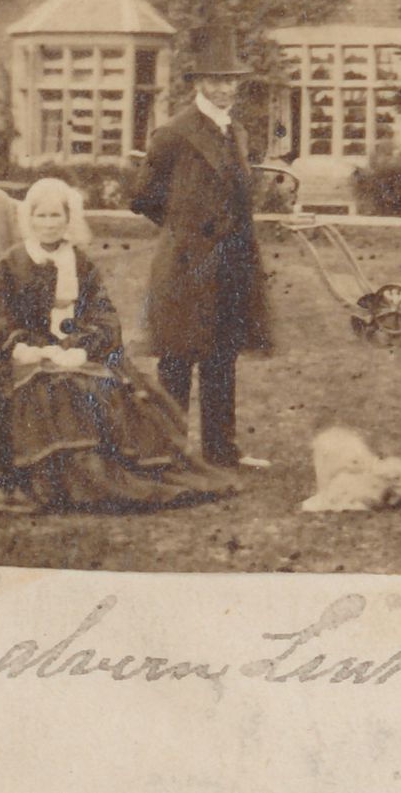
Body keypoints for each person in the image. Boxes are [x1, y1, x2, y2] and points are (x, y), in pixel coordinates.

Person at [0, 178, 230, 511]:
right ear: (29, 220)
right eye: (41, 216)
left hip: (76, 347)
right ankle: (65, 481)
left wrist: (81, 346)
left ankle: (108, 476)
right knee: (54, 387)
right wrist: (23, 345)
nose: (49, 224)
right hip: (25, 351)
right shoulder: (12, 262)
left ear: (68, 220)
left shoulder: (80, 262)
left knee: (104, 383)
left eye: (56, 216)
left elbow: (105, 316)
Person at [131, 23, 272, 469]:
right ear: (199, 84)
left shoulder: (238, 133)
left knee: (222, 356)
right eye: (215, 79)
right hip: (187, 263)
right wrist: (184, 232)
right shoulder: (174, 133)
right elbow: (143, 198)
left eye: (231, 80)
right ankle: (168, 452)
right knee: (177, 359)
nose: (224, 88)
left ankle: (221, 449)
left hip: (232, 261)